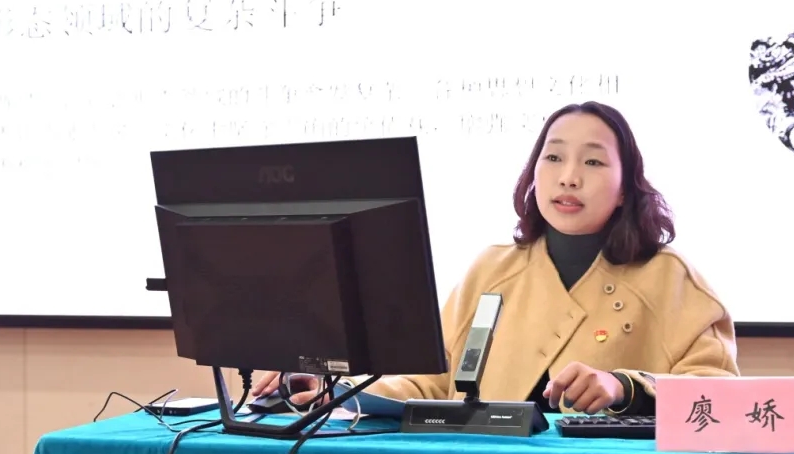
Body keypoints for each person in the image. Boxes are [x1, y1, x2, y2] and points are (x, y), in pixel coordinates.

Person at [251, 101, 739, 416]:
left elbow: (721, 398)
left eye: (592, 161)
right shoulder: (493, 269)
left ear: (625, 188)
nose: (569, 177)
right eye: (553, 157)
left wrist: (623, 387)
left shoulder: (671, 278)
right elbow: (430, 385)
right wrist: (332, 386)